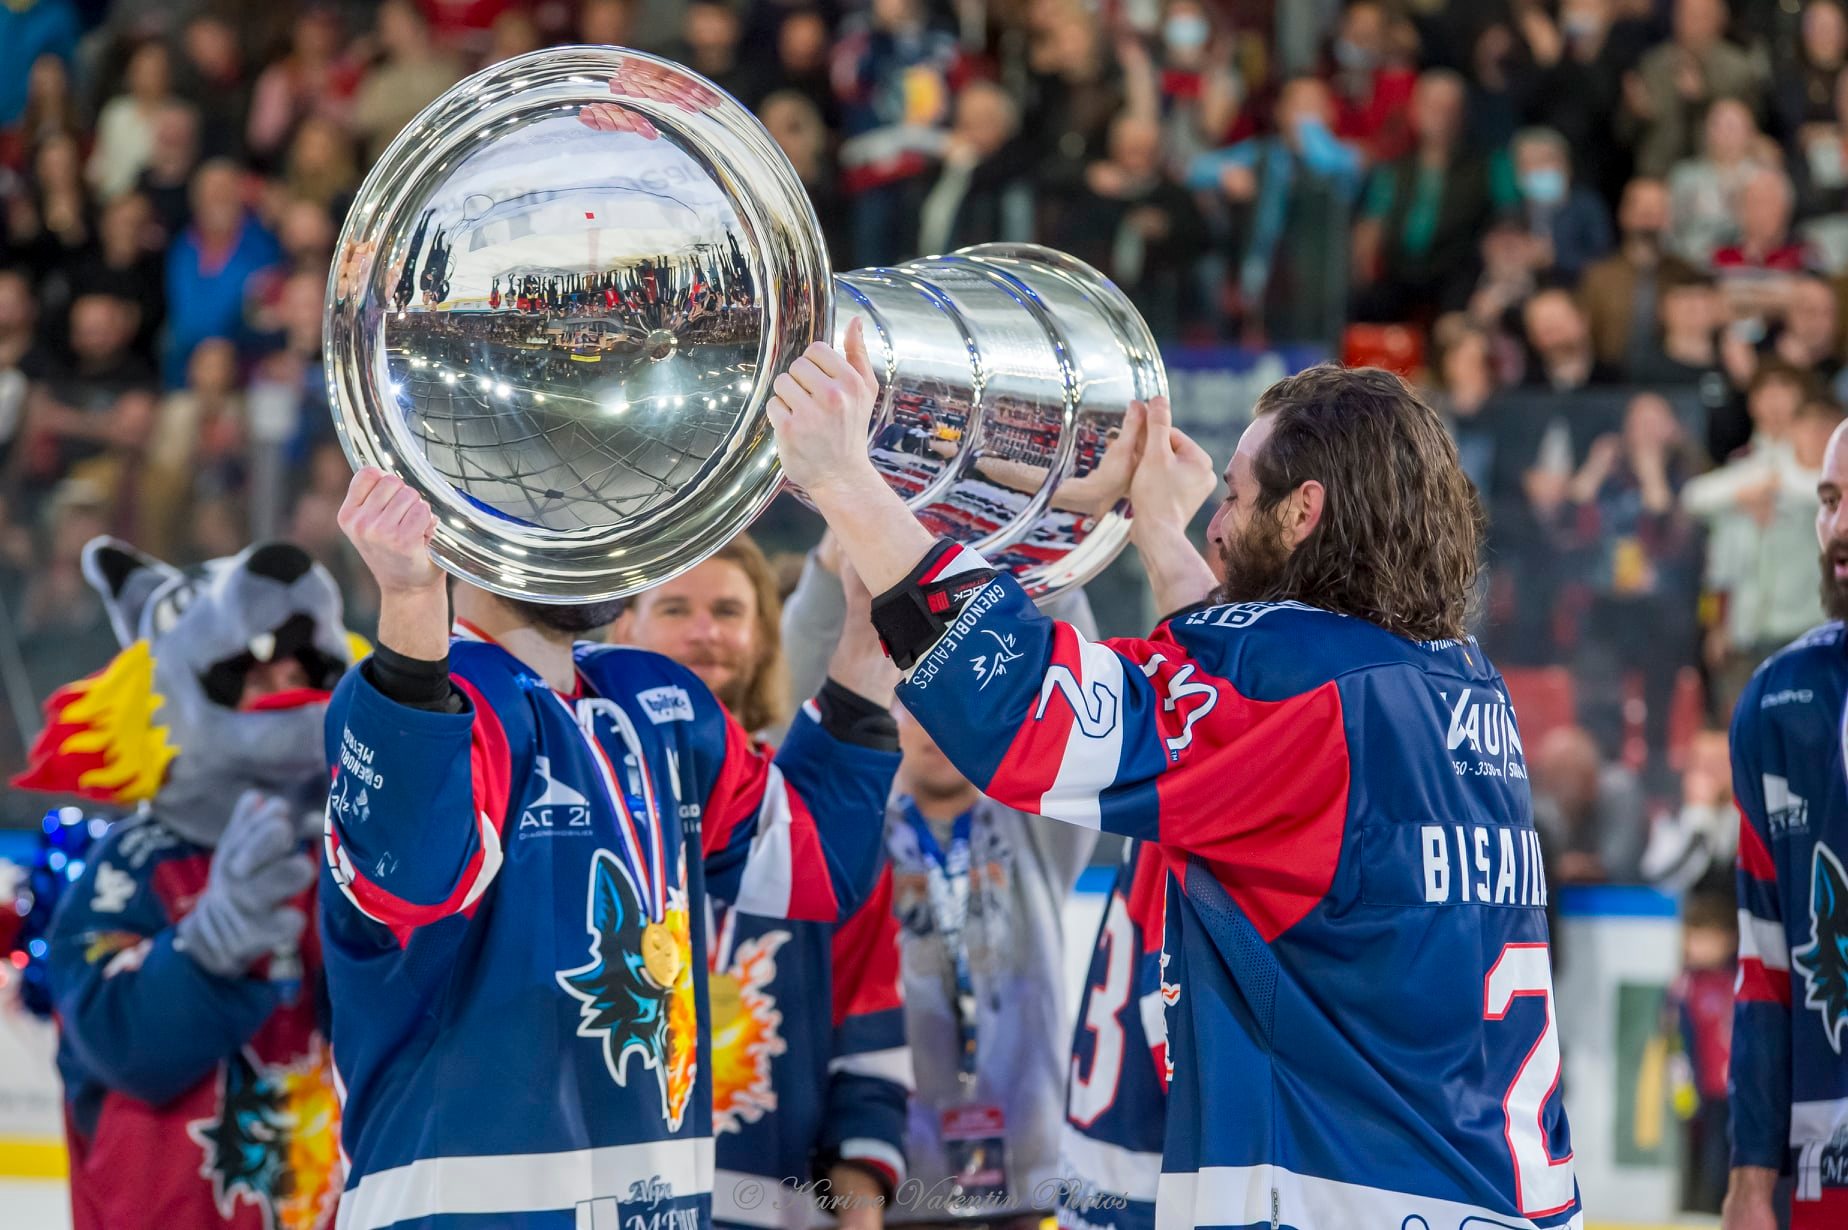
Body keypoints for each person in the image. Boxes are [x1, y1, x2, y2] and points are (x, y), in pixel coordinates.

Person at [769, 334, 1580, 1227]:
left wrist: (846, 479)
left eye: (1232, 497)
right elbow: (1248, 727)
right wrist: (1155, 529)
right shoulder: (1452, 678)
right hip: (1489, 1191)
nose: (1217, 524)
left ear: (1304, 509)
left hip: (1346, 1199)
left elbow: (1022, 703)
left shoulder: (1294, 688)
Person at [323, 466, 902, 1228]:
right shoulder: (438, 696)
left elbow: (813, 864)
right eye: (552, 508)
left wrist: (869, 623)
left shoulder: (656, 699)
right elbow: (416, 877)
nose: (592, 532)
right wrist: (410, 603)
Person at [21, 537, 361, 1230]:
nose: (283, 694)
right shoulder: (136, 861)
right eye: (257, 678)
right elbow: (118, 1043)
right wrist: (205, 949)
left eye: (301, 675)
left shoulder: (341, 855)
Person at [780, 533, 1100, 1227]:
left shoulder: (1035, 827)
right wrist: (830, 562)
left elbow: (1075, 698)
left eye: (950, 701)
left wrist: (1058, 556)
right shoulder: (850, 833)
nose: (933, 723)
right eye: (912, 700)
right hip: (887, 1184)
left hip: (1030, 1182)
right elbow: (808, 675)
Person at [612, 536, 911, 1228]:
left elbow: (865, 1048)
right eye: (676, 608)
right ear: (623, 626)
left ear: (762, 635)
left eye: (726, 610)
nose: (706, 631)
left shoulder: (815, 819)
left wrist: (859, 1214)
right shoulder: (581, 805)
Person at [1723, 417, 1848, 1230]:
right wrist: (1749, 1177)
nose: (1837, 526)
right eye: (1830, 500)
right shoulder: (1779, 703)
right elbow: (1766, 964)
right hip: (1821, 1175)